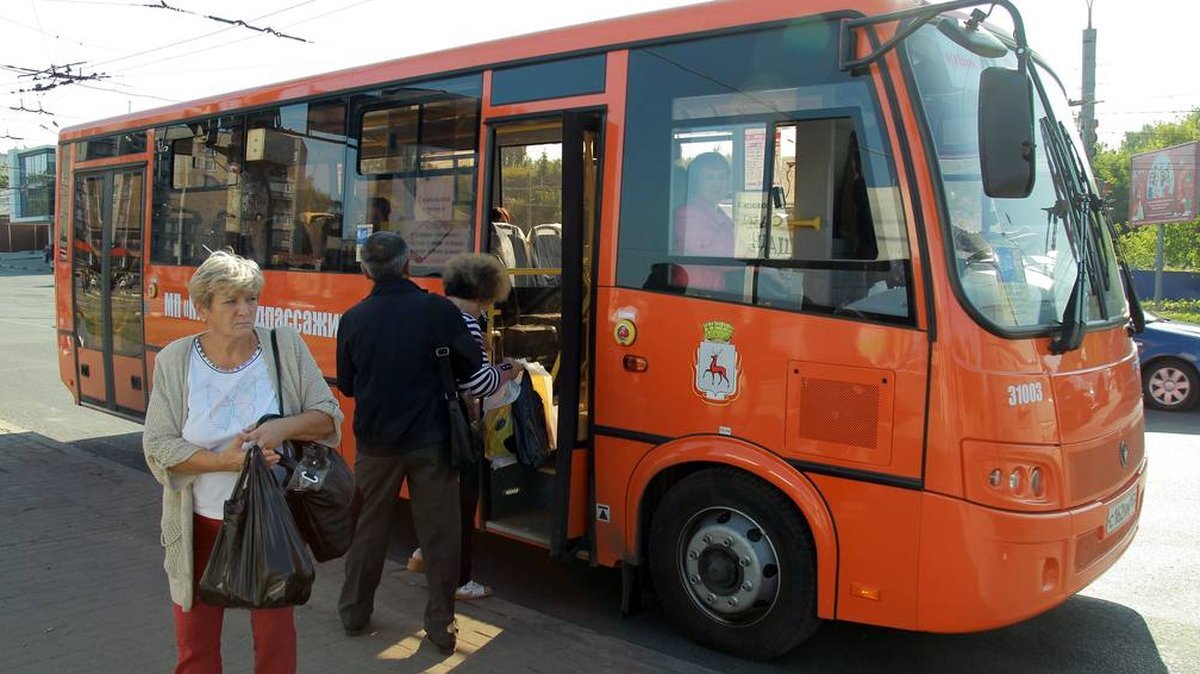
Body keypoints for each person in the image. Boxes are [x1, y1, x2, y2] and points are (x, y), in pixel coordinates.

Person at [143, 250, 343, 674]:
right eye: (231, 301)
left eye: (251, 298)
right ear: (202, 308)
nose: (245, 309)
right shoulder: (176, 360)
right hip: (199, 523)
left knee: (274, 642)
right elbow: (158, 444)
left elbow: (328, 416)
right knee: (195, 646)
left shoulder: (283, 345)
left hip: (270, 519)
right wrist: (226, 462)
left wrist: (281, 429)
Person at [336, 231, 489, 655]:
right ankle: (440, 627)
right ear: (409, 265)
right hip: (431, 442)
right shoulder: (437, 310)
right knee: (440, 535)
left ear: (366, 270)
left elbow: (347, 386)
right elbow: (473, 371)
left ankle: (353, 612)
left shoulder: (353, 319)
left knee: (368, 530)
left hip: (375, 445)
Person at [407, 253, 519, 600]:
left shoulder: (432, 313)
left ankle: (424, 553)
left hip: (425, 421)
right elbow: (479, 383)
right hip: (455, 424)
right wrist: (509, 371)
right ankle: (458, 580)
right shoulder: (467, 323)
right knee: (462, 503)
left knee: (441, 498)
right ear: (485, 292)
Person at [672, 152, 735, 291]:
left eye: (721, 177)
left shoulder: (720, 214)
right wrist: (760, 267)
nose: (717, 184)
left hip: (716, 291)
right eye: (709, 178)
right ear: (695, 182)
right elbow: (719, 258)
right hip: (695, 295)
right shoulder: (687, 215)